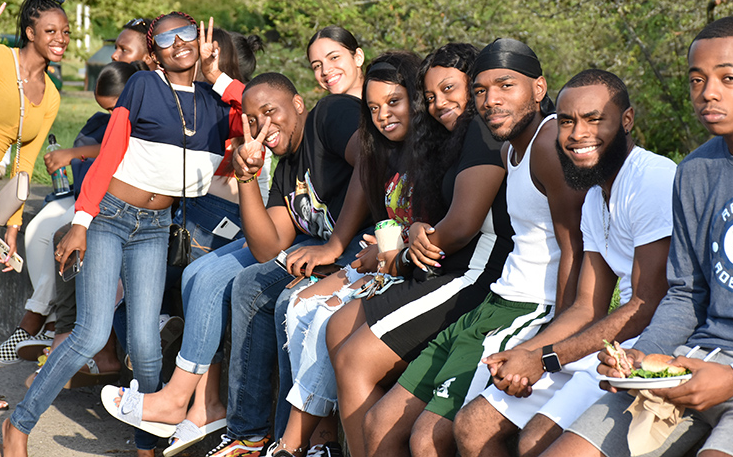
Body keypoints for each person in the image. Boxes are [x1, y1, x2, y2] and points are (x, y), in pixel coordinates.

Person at [98, 26, 367, 457]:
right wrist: (245, 177)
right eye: (253, 120)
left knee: (284, 302)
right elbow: (267, 248)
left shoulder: (327, 116)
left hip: (366, 245)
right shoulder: (283, 169)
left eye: (272, 113)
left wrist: (335, 244)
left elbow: (370, 160)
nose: (263, 125)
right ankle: (246, 434)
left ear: (298, 104)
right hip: (317, 250)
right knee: (243, 285)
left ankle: (283, 443)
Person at [539, 18, 733, 457]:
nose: (708, 92)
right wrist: (643, 359)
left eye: (728, 78)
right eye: (697, 80)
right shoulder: (695, 171)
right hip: (694, 361)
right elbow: (684, 294)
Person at [0, 11, 243, 457]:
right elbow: (110, 152)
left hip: (156, 228)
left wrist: (219, 77)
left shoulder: (216, 102)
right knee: (91, 333)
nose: (179, 42)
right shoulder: (144, 86)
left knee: (147, 343)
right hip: (111, 215)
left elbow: (267, 113)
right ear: (154, 52)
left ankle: (147, 444)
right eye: (166, 38)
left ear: (201, 38)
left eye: (186, 32)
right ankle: (17, 426)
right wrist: (80, 221)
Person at [362, 38, 586, 457]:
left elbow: (575, 249)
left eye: (504, 86)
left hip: (529, 308)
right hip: (495, 304)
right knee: (378, 421)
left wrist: (550, 347)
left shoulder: (548, 140)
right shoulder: (508, 149)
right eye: (480, 91)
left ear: (538, 89)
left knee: (428, 438)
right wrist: (415, 230)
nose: (490, 100)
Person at [453, 69, 675, 457]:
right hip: (607, 342)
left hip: (647, 345)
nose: (577, 133)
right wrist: (527, 356)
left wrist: (545, 357)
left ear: (626, 120)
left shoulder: (651, 179)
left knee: (534, 442)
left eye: (593, 119)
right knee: (473, 426)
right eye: (568, 121)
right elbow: (587, 305)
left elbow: (645, 306)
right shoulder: (593, 198)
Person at [331, 43, 514, 457]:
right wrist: (413, 230)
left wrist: (406, 249)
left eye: (450, 89)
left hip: (477, 274)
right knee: (340, 328)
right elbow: (443, 216)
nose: (439, 104)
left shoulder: (484, 131)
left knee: (354, 359)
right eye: (429, 97)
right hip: (449, 264)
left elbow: (464, 225)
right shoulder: (452, 138)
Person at [266, 50, 422, 457]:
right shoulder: (385, 149)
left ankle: (293, 443)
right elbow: (371, 185)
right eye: (373, 108)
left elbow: (435, 229)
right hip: (385, 258)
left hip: (412, 269)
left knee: (325, 320)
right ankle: (322, 442)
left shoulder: (431, 151)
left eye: (394, 102)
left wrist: (386, 250)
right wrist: (340, 248)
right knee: (298, 303)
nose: (383, 114)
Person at [18, 62, 142, 388]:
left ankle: (71, 338)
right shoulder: (106, 119)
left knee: (74, 240)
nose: (112, 117)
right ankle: (58, 327)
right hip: (100, 203)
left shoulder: (147, 116)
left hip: (135, 214)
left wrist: (75, 152)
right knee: (52, 232)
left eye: (115, 109)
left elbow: (119, 149)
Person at [0, 0, 69, 365]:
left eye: (65, 31)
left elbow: (24, 161)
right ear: (29, 32)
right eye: (50, 30)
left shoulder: (52, 95)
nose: (60, 39)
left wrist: (13, 223)